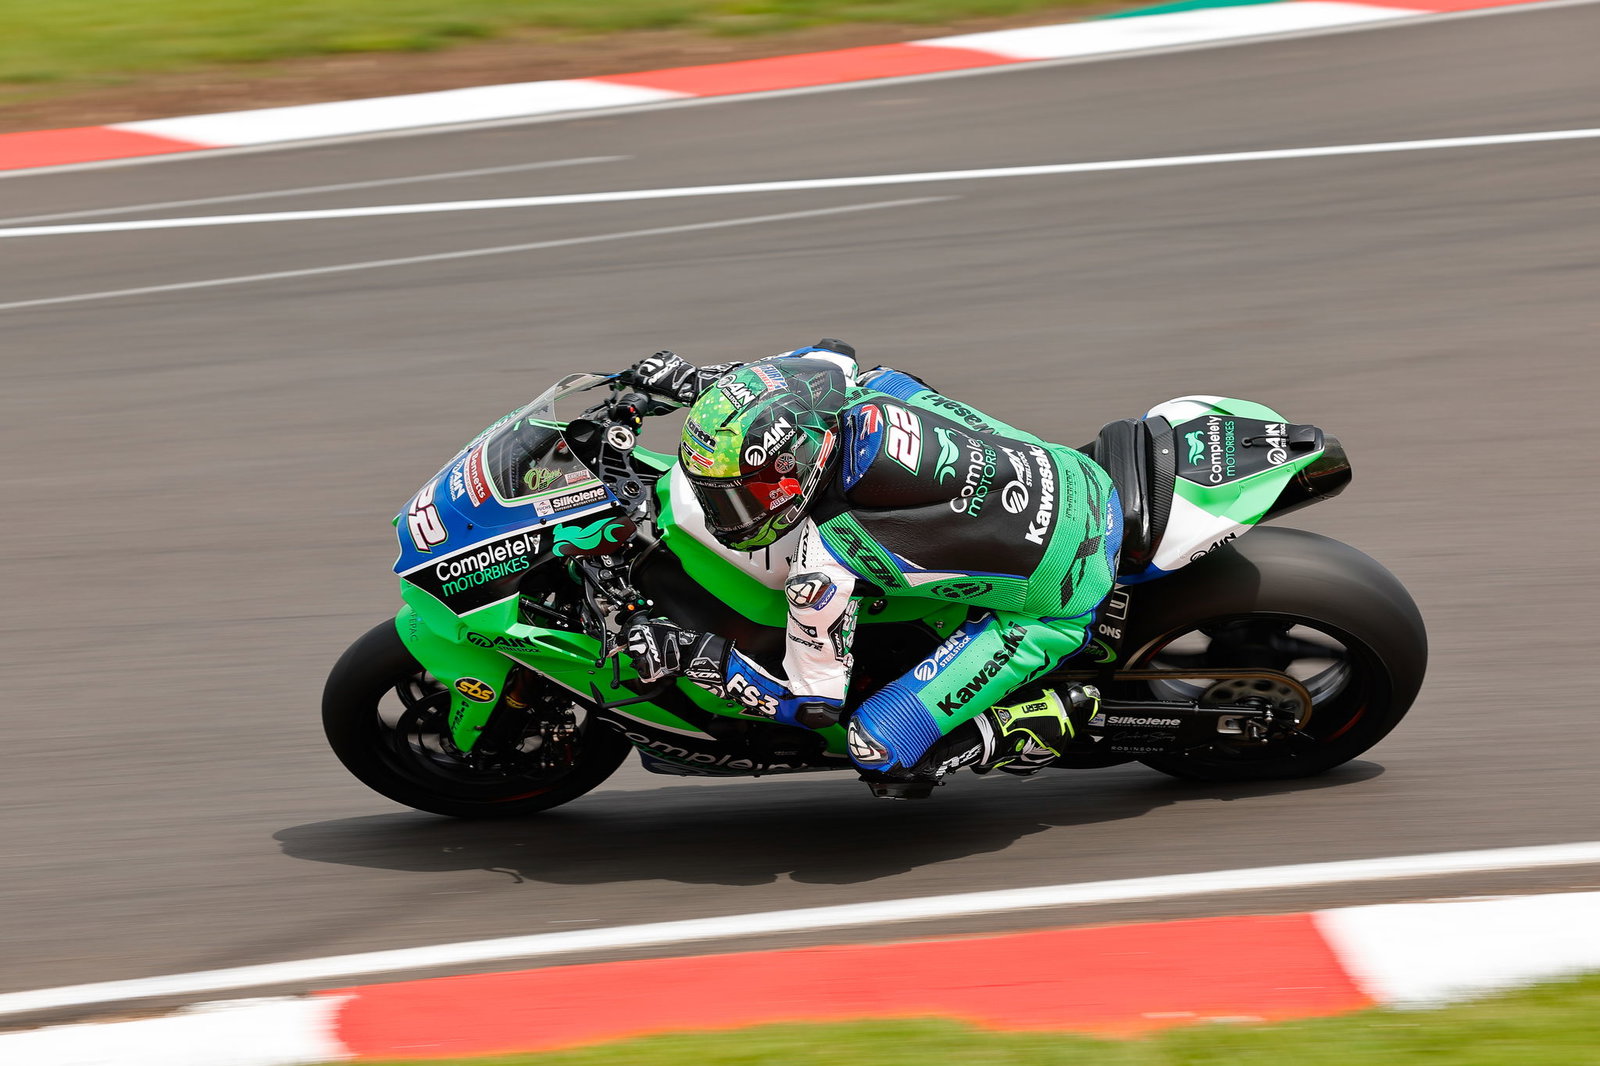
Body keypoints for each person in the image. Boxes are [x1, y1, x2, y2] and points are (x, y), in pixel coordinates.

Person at [619, 340, 1122, 798]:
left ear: (792, 472)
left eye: (739, 498)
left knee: (875, 747)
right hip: (1082, 479)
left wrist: (697, 656)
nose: (728, 515)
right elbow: (812, 359)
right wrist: (694, 383)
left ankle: (1036, 719)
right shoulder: (850, 385)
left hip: (1064, 599)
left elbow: (812, 706)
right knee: (897, 383)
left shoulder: (826, 558)